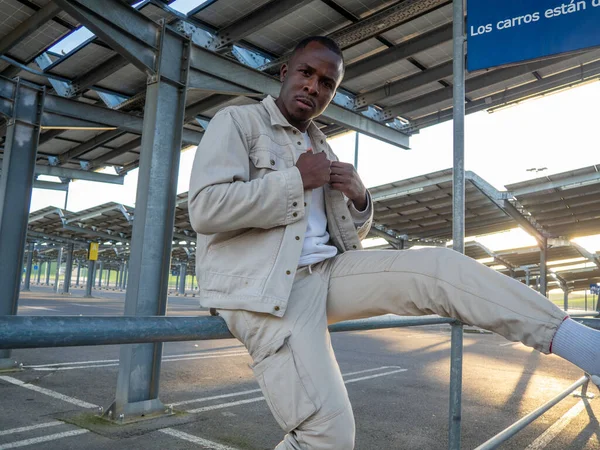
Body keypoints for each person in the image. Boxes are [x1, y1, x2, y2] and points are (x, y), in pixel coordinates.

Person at [188, 36, 600, 449]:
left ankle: (587, 347)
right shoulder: (237, 123)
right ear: (284, 73)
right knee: (328, 436)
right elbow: (205, 209)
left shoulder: (318, 144)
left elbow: (335, 232)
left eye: (328, 83)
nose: (315, 87)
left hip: (327, 272)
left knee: (440, 268)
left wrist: (360, 199)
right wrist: (297, 179)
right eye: (306, 73)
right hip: (267, 289)